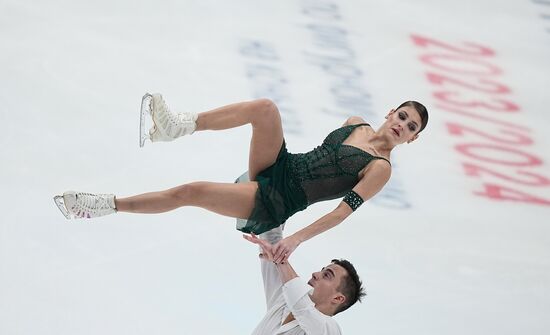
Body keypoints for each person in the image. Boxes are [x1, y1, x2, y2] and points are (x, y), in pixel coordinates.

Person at [54, 93, 428, 263]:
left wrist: (295, 237)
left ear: (413, 139)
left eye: (411, 127)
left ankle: (104, 206)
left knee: (190, 191)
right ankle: (176, 126)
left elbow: (340, 213)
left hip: (279, 200)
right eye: (403, 116)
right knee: (265, 109)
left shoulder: (380, 169)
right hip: (284, 166)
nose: (402, 125)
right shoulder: (354, 123)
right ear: (391, 111)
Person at [243, 225, 365, 334]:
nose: (315, 274)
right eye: (322, 271)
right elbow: (271, 240)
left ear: (338, 298)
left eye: (327, 275)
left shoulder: (330, 330)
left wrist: (281, 261)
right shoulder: (284, 300)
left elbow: (302, 307)